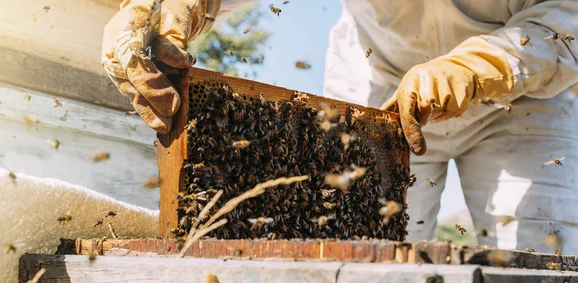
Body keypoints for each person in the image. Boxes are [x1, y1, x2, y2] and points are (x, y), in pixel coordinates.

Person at [102, 0, 578, 253]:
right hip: (381, 84)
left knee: (543, 260)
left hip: (523, 93)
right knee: (365, 254)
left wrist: (478, 67)